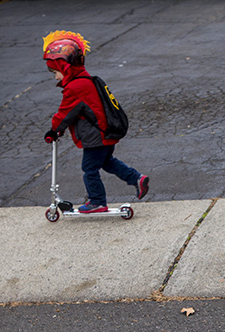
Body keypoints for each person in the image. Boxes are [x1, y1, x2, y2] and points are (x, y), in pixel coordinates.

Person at [42, 31, 148, 213]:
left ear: (65, 67)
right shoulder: (84, 80)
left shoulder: (76, 86)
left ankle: (97, 201)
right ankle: (137, 178)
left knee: (89, 168)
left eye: (56, 72)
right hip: (105, 133)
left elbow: (65, 112)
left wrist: (54, 130)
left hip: (96, 136)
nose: (56, 77)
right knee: (107, 162)